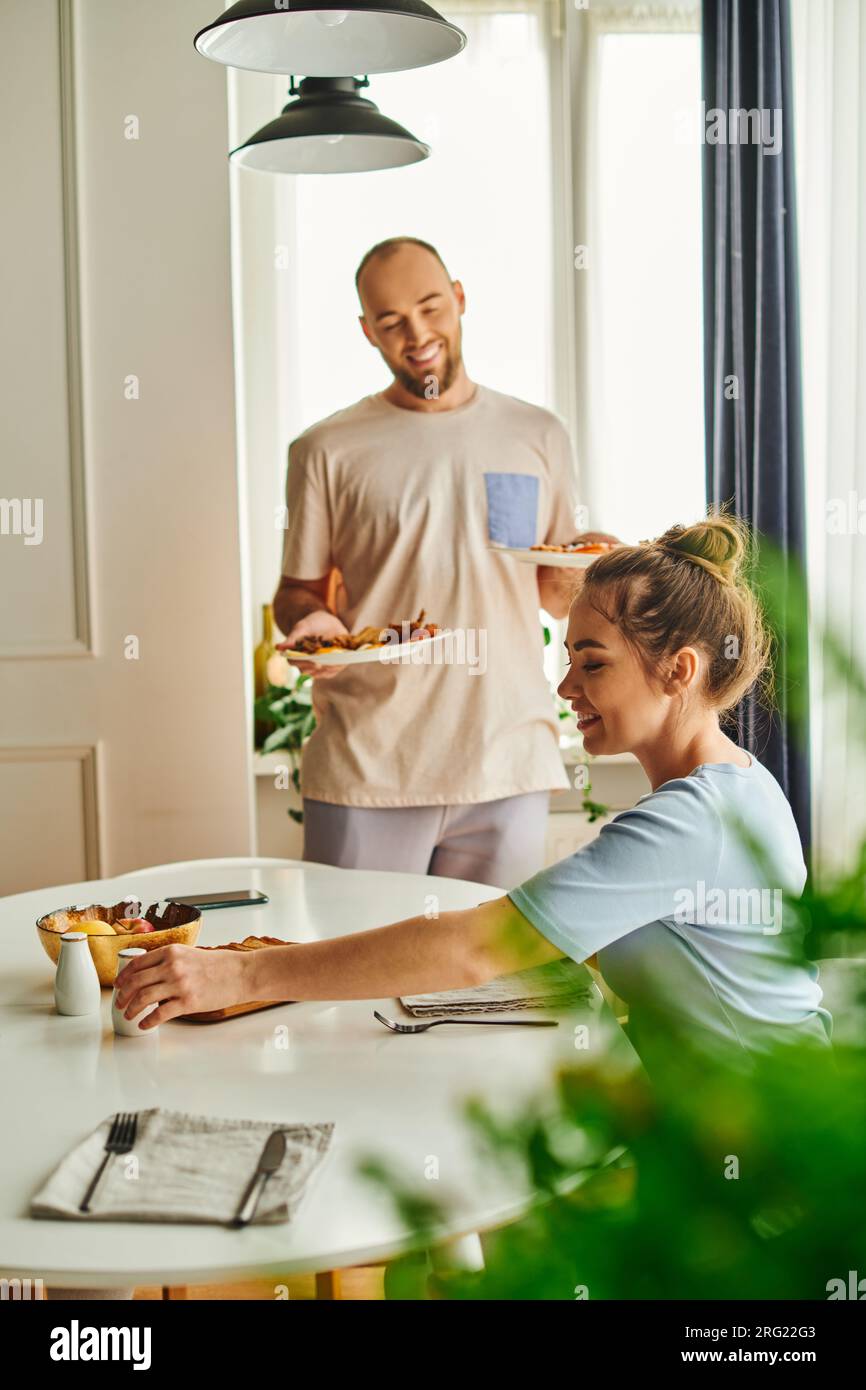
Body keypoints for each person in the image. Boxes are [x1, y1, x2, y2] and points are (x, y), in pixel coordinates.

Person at [117, 516, 832, 1074]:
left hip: (759, 1172)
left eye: (592, 662)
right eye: (566, 659)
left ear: (678, 670)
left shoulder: (694, 821)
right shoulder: (733, 788)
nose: (565, 687)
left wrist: (236, 974)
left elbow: (475, 949)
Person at [272, 235, 615, 890]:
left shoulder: (538, 434)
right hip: (368, 764)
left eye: (430, 307)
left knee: (485, 985)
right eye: (392, 320)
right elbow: (295, 591)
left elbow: (556, 592)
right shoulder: (325, 449)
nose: (417, 333)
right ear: (368, 331)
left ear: (459, 300)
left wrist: (596, 562)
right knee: (353, 977)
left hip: (507, 756)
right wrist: (314, 619)